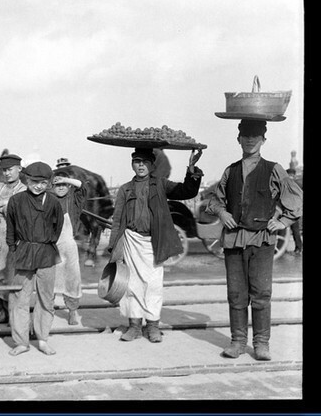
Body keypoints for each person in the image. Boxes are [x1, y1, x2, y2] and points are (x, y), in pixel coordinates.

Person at [205, 120, 302, 361]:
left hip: (262, 240)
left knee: (261, 293)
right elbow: (214, 201)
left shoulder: (274, 169)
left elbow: (296, 197)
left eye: (255, 136)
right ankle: (238, 342)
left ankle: (261, 344)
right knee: (236, 294)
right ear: (238, 139)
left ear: (263, 140)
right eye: (245, 135)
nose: (250, 140)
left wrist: (282, 222)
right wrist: (222, 213)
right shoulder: (230, 171)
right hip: (233, 239)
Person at [107, 147, 203, 343]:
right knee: (131, 285)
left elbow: (187, 191)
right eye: (136, 161)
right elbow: (117, 220)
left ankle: (152, 326)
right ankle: (134, 326)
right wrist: (114, 247)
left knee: (153, 285)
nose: (140, 165)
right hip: (131, 241)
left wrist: (192, 167)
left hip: (153, 242)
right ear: (132, 164)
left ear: (152, 165)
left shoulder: (160, 184)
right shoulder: (125, 189)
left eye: (145, 161)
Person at [5, 161, 64, 356]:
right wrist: (14, 250)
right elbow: (11, 228)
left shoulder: (54, 202)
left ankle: (42, 339)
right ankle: (21, 342)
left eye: (43, 182)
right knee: (19, 298)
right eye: (35, 181)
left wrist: (46, 242)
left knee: (46, 298)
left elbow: (58, 227)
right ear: (27, 179)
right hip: (23, 253)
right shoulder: (16, 201)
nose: (38, 186)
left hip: (46, 253)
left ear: (49, 183)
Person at [0, 153, 27, 325]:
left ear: (19, 169)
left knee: (12, 275)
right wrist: (2, 204)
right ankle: (2, 312)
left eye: (10, 170)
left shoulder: (24, 189)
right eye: (4, 170)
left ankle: (13, 314)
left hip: (14, 238)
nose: (7, 173)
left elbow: (17, 208)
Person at [50, 170, 87, 325]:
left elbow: (82, 187)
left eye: (64, 185)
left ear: (69, 186)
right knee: (50, 279)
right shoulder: (48, 200)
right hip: (51, 245)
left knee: (72, 279)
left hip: (69, 245)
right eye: (57, 185)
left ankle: (72, 311)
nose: (61, 188)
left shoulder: (74, 200)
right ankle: (48, 311)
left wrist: (66, 178)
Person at [285, 167, 303, 255]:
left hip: (291, 210)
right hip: (292, 210)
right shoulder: (298, 184)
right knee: (294, 230)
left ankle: (298, 248)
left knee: (292, 229)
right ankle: (298, 248)